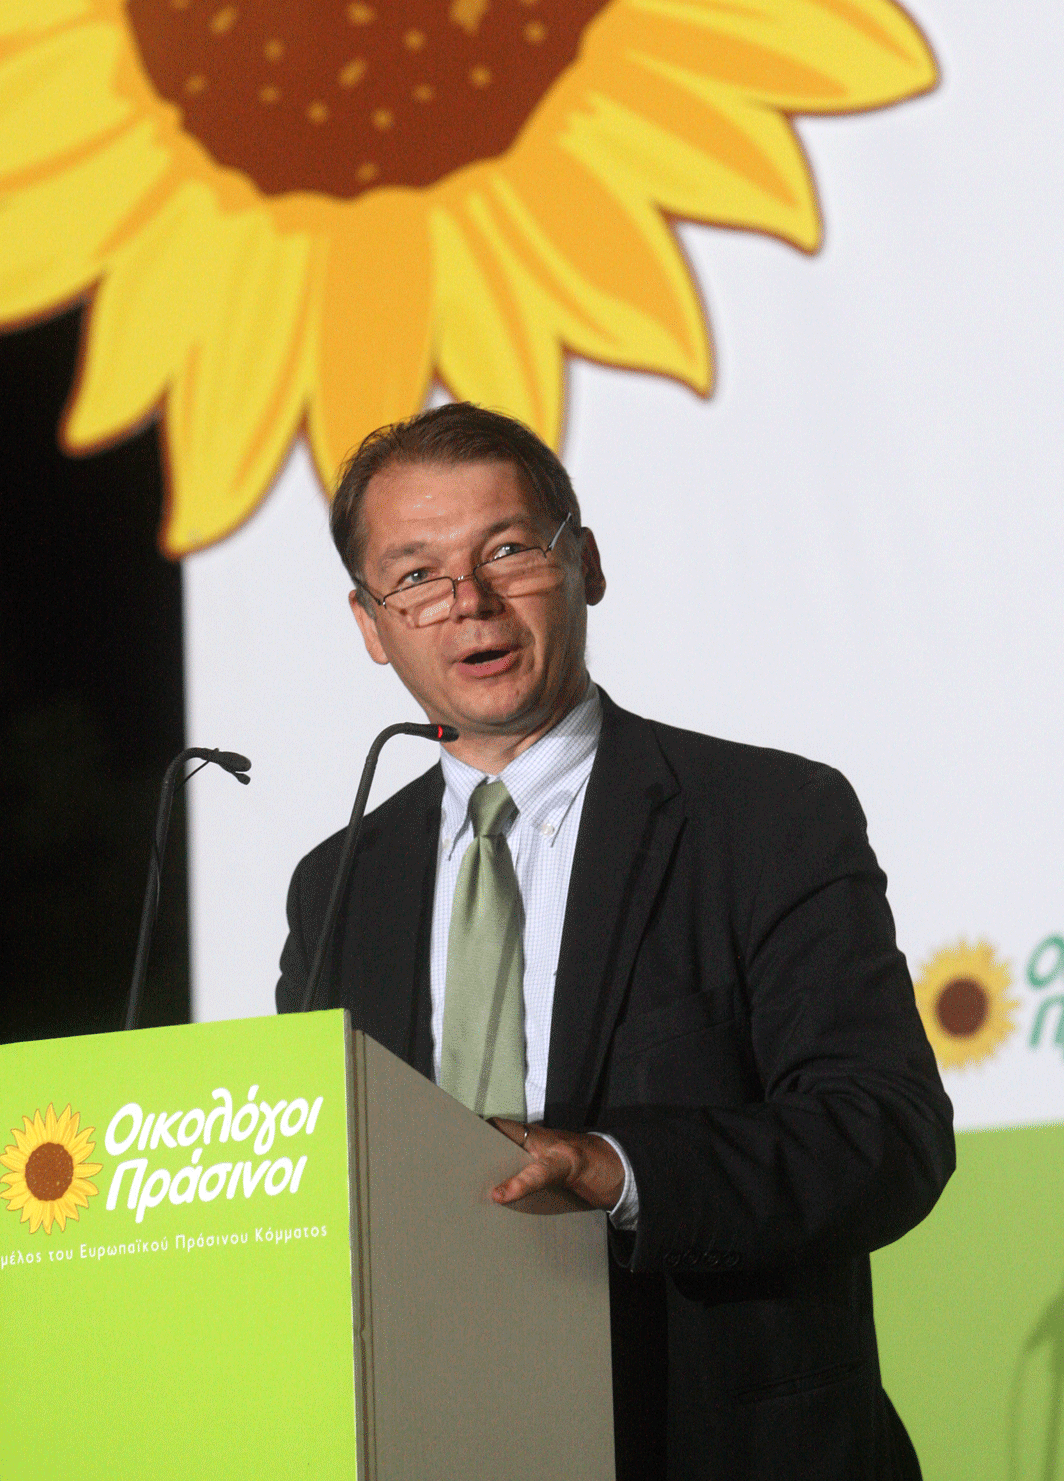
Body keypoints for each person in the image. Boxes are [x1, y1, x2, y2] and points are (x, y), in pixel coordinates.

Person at [277, 403, 953, 1479]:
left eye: (505, 548)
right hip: (437, 1432)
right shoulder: (337, 884)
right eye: (415, 574)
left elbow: (883, 1135)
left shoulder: (766, 816)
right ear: (369, 624)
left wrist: (614, 1165)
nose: (468, 600)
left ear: (584, 562)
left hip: (718, 1438)